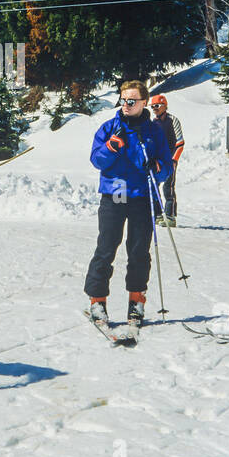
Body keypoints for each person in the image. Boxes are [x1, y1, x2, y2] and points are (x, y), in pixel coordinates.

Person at [83, 79, 174, 328]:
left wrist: (157, 168)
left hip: (142, 195)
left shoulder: (154, 131)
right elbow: (97, 160)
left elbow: (167, 165)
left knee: (138, 250)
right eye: (123, 100)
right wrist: (112, 147)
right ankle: (97, 301)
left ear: (144, 102)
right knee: (106, 247)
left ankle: (136, 301)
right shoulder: (109, 127)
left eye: (131, 101)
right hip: (116, 193)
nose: (126, 104)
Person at [149, 93, 184, 226]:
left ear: (164, 106)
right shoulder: (153, 123)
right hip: (158, 161)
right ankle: (158, 214)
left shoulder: (172, 120)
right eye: (152, 107)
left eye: (157, 106)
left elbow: (180, 142)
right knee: (154, 187)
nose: (154, 109)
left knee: (168, 187)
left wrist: (174, 160)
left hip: (170, 159)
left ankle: (170, 216)